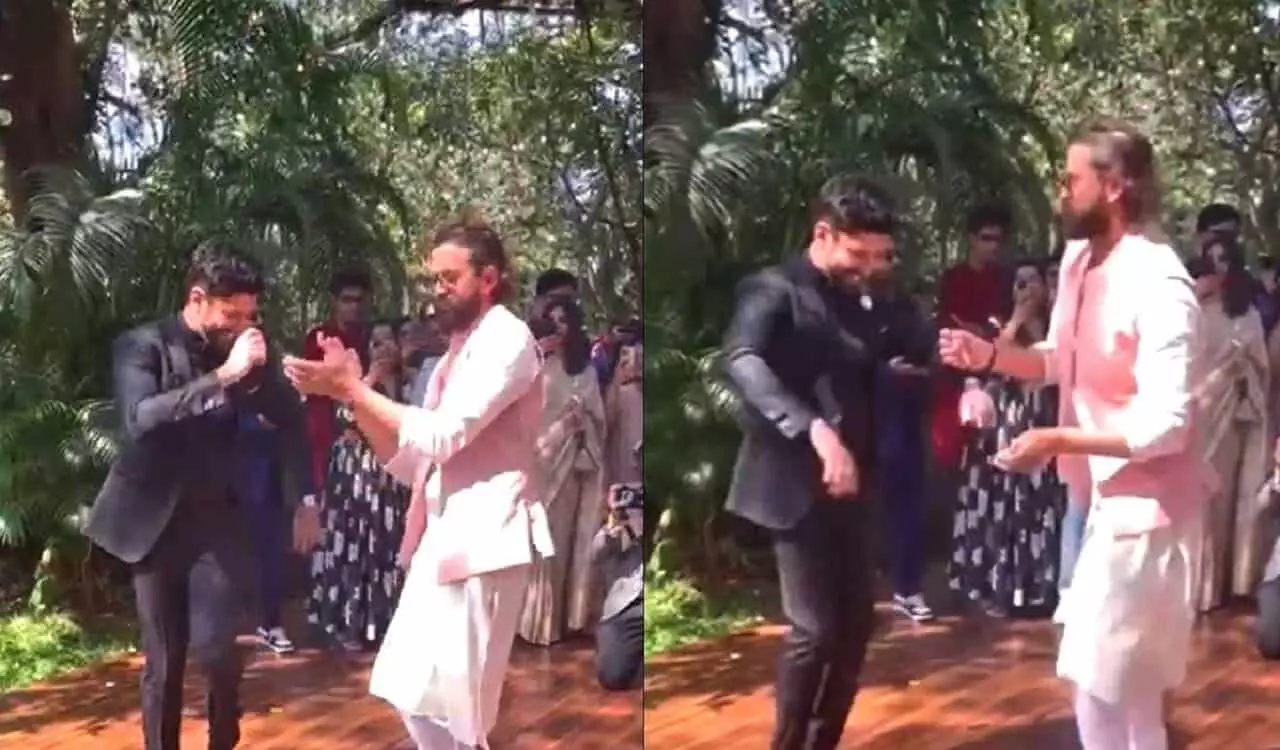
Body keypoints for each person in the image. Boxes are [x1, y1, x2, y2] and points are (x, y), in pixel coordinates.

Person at [938, 120, 1211, 750]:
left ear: (1113, 186)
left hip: (1148, 511)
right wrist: (991, 356)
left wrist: (1056, 440)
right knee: (1127, 689)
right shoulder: (1080, 261)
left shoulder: (1162, 285)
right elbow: (1060, 360)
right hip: (1093, 499)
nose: (1061, 191)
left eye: (1071, 179)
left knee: (1099, 682)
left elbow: (1167, 425)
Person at [282, 215, 552, 750]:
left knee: (464, 714)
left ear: (488, 278)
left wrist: (354, 390)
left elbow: (443, 435)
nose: (437, 291)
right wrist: (349, 396)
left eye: (450, 278)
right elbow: (413, 461)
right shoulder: (458, 351)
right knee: (407, 688)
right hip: (442, 540)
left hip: (486, 545)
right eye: (434, 279)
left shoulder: (508, 339)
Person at [720, 175, 934, 750]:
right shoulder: (772, 289)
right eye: (858, 253)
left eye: (879, 255)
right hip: (791, 481)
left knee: (857, 625)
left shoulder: (867, 297)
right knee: (814, 628)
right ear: (823, 233)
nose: (869, 266)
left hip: (852, 481)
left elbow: (914, 344)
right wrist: (813, 428)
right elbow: (741, 359)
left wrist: (955, 366)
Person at [84, 242, 321, 750]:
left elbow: (291, 420)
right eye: (231, 315)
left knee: (218, 650)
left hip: (218, 522)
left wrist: (304, 500)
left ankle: (223, 736)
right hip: (153, 524)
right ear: (198, 298)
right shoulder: (142, 345)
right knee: (164, 660)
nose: (242, 326)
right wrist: (224, 377)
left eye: (250, 316)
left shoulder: (246, 352)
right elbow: (140, 419)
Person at [950, 258, 1067, 616]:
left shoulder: (1058, 325)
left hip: (1044, 425)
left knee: (1040, 507)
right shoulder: (994, 325)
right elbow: (985, 365)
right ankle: (998, 587)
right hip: (1003, 429)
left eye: (1033, 281)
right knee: (1004, 509)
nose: (1027, 289)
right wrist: (1016, 320)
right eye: (1019, 282)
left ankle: (1040, 588)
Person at [307, 319, 411, 650]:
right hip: (356, 473)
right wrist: (371, 380)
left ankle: (383, 623)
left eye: (388, 341)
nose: (383, 349)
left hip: (391, 473)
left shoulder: (410, 381)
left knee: (386, 545)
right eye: (375, 343)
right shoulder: (358, 380)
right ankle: (348, 623)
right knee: (355, 544)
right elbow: (345, 417)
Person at [519, 296, 608, 646]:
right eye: (551, 320)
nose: (557, 327)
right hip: (539, 462)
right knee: (542, 540)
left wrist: (580, 416)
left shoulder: (585, 370)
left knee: (569, 539)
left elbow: (599, 417)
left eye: (563, 320)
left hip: (575, 464)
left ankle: (569, 617)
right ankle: (536, 623)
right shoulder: (531, 367)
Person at [1188, 241, 1270, 612]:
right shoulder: (1191, 312)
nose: (1217, 267)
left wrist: (1243, 368)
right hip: (1198, 416)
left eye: (1224, 259)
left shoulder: (1247, 314)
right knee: (1200, 501)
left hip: (1233, 418)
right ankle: (1198, 589)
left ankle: (1227, 584)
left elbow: (1262, 366)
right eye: (1211, 260)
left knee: (1228, 499)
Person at [875, 284, 935, 622]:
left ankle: (908, 589)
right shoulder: (843, 308)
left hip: (903, 421)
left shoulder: (905, 309)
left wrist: (916, 372)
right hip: (859, 425)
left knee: (907, 509)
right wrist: (885, 372)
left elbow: (930, 364)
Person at [302, 268, 372, 507]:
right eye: (347, 300)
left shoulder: (371, 337)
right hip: (324, 429)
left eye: (358, 300)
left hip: (365, 430)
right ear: (334, 301)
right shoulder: (318, 338)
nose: (353, 306)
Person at [593, 479, 643, 691]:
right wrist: (615, 519)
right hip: (627, 606)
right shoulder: (623, 516)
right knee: (612, 676)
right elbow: (597, 553)